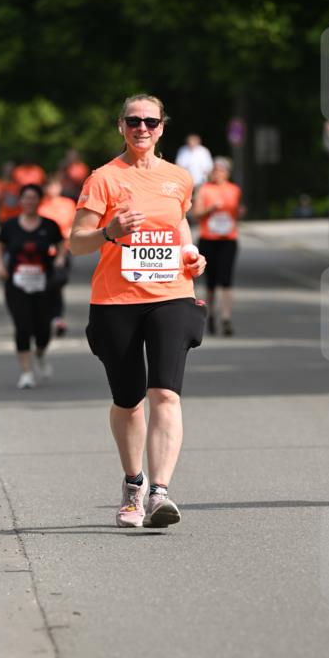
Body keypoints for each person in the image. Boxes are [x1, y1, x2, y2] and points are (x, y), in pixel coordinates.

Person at [69, 94, 207, 528]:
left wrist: (192, 254)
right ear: (121, 126)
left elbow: (180, 225)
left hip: (172, 294)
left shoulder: (179, 178)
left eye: (150, 121)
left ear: (162, 127)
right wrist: (108, 231)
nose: (142, 128)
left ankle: (160, 494)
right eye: (134, 121)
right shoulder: (103, 179)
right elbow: (76, 241)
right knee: (128, 401)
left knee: (165, 392)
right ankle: (134, 485)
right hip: (116, 301)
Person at [0, 184, 65, 389]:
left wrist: (59, 260)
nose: (29, 202)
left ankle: (40, 354)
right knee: (22, 326)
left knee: (43, 329)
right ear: (21, 201)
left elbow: (61, 246)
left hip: (44, 284)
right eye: (25, 198)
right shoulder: (10, 225)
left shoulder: (49, 226)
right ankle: (26, 372)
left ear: (39, 201)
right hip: (16, 284)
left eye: (33, 198)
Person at [193, 156, 244, 336]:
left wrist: (240, 212)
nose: (217, 173)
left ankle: (226, 318)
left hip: (228, 239)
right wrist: (210, 209)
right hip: (208, 239)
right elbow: (196, 214)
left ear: (227, 173)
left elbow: (236, 212)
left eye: (221, 170)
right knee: (211, 283)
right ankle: (211, 315)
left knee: (227, 280)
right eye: (215, 170)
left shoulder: (234, 190)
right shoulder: (204, 190)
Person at [39, 175, 76, 336]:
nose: (52, 190)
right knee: (45, 286)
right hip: (44, 252)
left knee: (58, 284)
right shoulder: (40, 206)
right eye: (49, 186)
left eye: (54, 186)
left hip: (64, 250)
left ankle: (56, 317)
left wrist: (70, 231)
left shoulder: (68, 204)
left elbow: (77, 224)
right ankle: (51, 318)